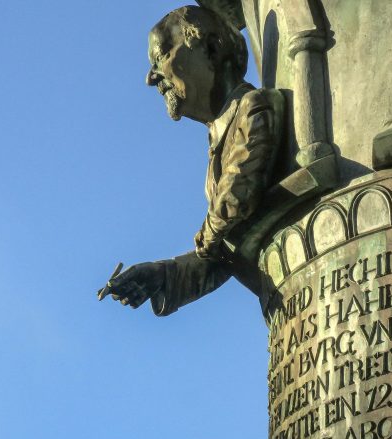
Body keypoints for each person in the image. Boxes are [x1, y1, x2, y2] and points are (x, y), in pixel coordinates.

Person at [98, 5, 285, 315]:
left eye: (161, 57)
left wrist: (208, 235)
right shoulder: (217, 143)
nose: (150, 77)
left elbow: (236, 198)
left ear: (210, 48)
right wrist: (162, 274)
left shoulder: (253, 107)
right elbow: (224, 251)